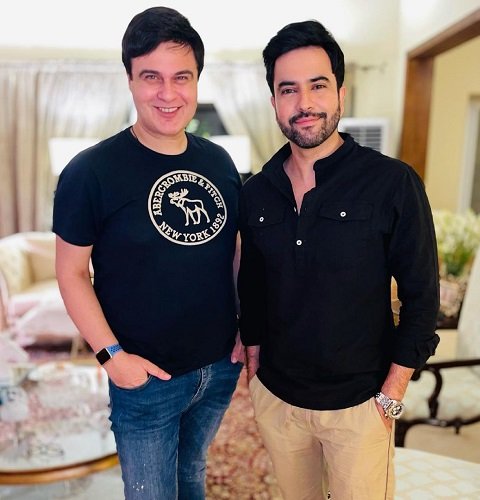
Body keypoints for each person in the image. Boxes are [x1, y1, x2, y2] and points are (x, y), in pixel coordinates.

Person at [238, 20, 440, 500]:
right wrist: (254, 362)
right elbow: (253, 283)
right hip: (279, 400)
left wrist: (392, 392)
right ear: (273, 101)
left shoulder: (393, 183)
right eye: (288, 89)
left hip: (360, 406)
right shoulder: (256, 191)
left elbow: (422, 296)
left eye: (318, 85)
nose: (304, 103)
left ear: (341, 93)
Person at [53, 7, 243, 500]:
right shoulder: (90, 171)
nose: (168, 93)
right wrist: (112, 357)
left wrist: (247, 324)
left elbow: (233, 249)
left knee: (192, 475)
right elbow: (71, 272)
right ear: (130, 80)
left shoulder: (219, 161)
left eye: (182, 77)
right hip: (145, 377)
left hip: (219, 367)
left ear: (197, 80)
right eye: (151, 77)